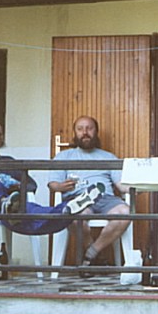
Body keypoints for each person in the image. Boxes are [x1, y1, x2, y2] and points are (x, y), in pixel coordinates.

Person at [0, 121, 102, 235]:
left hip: (10, 209)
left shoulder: (8, 162)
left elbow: (31, 184)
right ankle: (4, 202)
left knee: (37, 212)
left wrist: (16, 185)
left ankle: (68, 208)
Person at [48, 116, 131, 271]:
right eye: (80, 129)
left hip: (105, 198)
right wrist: (61, 186)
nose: (85, 132)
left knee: (125, 212)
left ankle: (91, 253)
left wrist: (136, 187)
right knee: (73, 217)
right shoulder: (64, 156)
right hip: (78, 198)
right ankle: (94, 255)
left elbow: (121, 185)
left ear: (96, 131)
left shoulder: (108, 157)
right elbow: (53, 185)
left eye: (89, 128)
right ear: (75, 132)